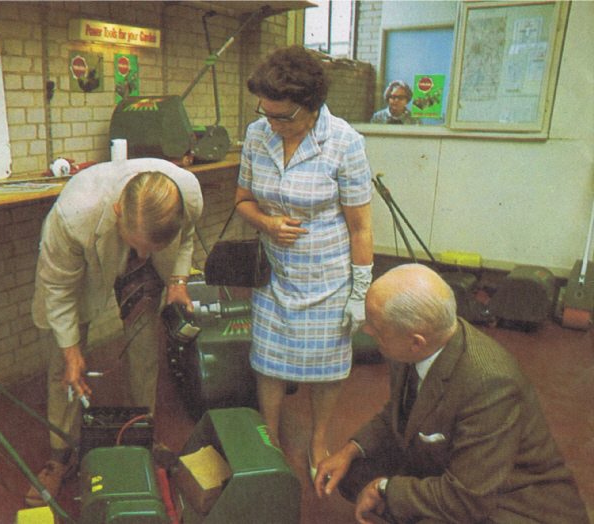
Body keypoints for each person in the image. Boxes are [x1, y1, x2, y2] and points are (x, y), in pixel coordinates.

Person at [315, 264, 590, 524]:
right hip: (454, 465)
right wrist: (350, 450)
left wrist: (385, 489)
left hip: (510, 500)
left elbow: (470, 498)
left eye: (376, 327)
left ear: (416, 342)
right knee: (353, 474)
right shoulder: (413, 345)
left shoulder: (491, 383)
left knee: (411, 505)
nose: (366, 330)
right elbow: (398, 413)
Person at [26, 158, 203, 506]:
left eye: (150, 247)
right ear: (119, 210)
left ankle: (142, 434)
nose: (142, 254)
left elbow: (186, 238)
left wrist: (178, 280)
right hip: (85, 261)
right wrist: (72, 350)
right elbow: (58, 290)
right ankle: (61, 454)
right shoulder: (73, 216)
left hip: (142, 265)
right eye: (137, 244)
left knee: (145, 350)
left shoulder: (188, 193)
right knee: (64, 366)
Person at [235, 45, 374, 479]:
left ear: (312, 108)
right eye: (266, 113)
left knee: (327, 367)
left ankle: (318, 439)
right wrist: (267, 223)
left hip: (328, 276)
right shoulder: (258, 134)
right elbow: (242, 200)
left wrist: (361, 291)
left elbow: (360, 227)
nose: (272, 124)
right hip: (274, 273)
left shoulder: (345, 143)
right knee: (268, 363)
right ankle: (271, 438)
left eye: (282, 117)